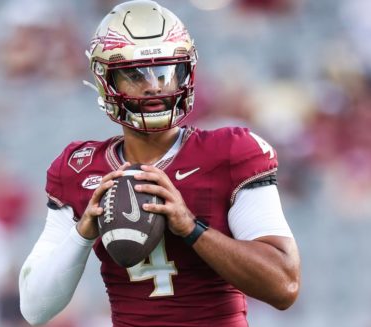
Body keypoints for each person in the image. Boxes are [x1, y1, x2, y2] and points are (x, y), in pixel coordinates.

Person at [19, 1, 300, 326]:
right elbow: (35, 309)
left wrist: (191, 228)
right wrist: (83, 232)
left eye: (166, 71)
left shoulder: (230, 153)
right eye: (135, 74)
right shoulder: (79, 168)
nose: (154, 85)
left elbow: (284, 286)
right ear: (106, 79)